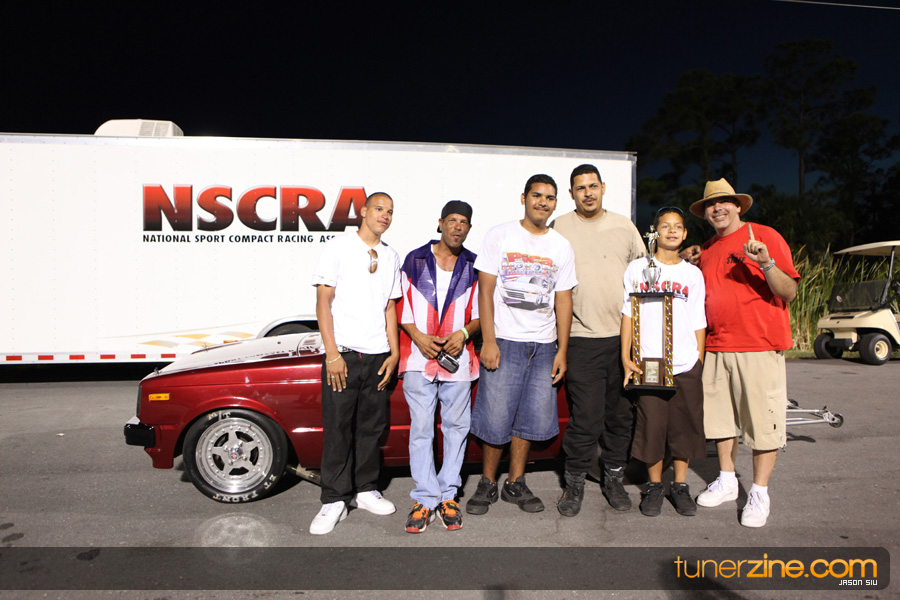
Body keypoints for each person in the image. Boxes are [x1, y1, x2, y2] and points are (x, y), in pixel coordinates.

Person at [686, 178, 800, 528]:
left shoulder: (764, 236)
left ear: (738, 205)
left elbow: (789, 292)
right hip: (717, 345)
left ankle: (760, 492)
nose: (717, 208)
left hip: (758, 344)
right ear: (705, 213)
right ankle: (726, 480)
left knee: (763, 423)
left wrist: (766, 263)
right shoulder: (707, 249)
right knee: (721, 422)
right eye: (710, 204)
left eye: (724, 202)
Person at [465, 174, 576, 515]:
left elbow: (563, 300)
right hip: (505, 341)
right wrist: (489, 340)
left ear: (555, 203)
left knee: (528, 418)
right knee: (495, 415)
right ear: (523, 198)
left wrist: (561, 350)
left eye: (550, 197)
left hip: (543, 345)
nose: (543, 202)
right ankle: (487, 482)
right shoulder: (500, 235)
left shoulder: (561, 245)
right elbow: (485, 291)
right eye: (537, 195)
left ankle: (515, 483)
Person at [550, 164, 646, 516]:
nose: (588, 193)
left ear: (603, 188)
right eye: (580, 188)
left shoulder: (624, 226)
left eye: (593, 186)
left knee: (620, 416)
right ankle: (573, 482)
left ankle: (613, 478)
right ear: (571, 193)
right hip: (580, 338)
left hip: (622, 339)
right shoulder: (559, 227)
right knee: (587, 417)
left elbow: (644, 275)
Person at [309, 191, 401, 535]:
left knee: (371, 429)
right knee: (338, 429)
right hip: (344, 355)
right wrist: (332, 353)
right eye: (379, 209)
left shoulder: (391, 255)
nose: (384, 215)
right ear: (363, 211)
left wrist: (394, 352)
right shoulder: (338, 247)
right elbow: (323, 301)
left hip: (378, 355)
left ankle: (365, 490)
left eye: (390, 211)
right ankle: (334, 499)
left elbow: (390, 306)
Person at [397, 200, 481, 533]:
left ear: (469, 228)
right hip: (419, 357)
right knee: (421, 428)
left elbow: (481, 314)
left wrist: (464, 334)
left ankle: (447, 495)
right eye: (452, 220)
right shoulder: (415, 260)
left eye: (464, 222)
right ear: (441, 223)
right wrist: (418, 337)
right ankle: (424, 497)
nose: (458, 227)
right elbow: (400, 307)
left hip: (458, 359)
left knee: (456, 428)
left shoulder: (474, 264)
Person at [620, 207, 707, 517]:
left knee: (684, 427)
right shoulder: (638, 268)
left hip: (684, 362)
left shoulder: (692, 274)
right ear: (655, 232)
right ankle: (654, 486)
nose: (672, 231)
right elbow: (628, 314)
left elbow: (698, 320)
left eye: (678, 226)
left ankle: (680, 486)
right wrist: (626, 357)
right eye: (665, 226)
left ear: (685, 233)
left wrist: (698, 360)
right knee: (652, 426)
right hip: (649, 362)